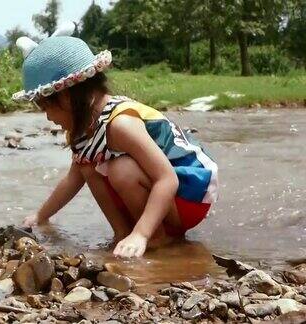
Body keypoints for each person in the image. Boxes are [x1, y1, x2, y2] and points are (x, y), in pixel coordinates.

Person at [11, 25, 218, 258]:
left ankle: (156, 238)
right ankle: (122, 233)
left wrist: (141, 234)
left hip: (188, 190)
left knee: (121, 170)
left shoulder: (120, 124)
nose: (48, 117)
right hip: (162, 194)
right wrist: (41, 216)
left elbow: (167, 179)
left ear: (67, 97)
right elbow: (72, 180)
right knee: (87, 166)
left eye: (47, 107)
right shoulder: (82, 130)